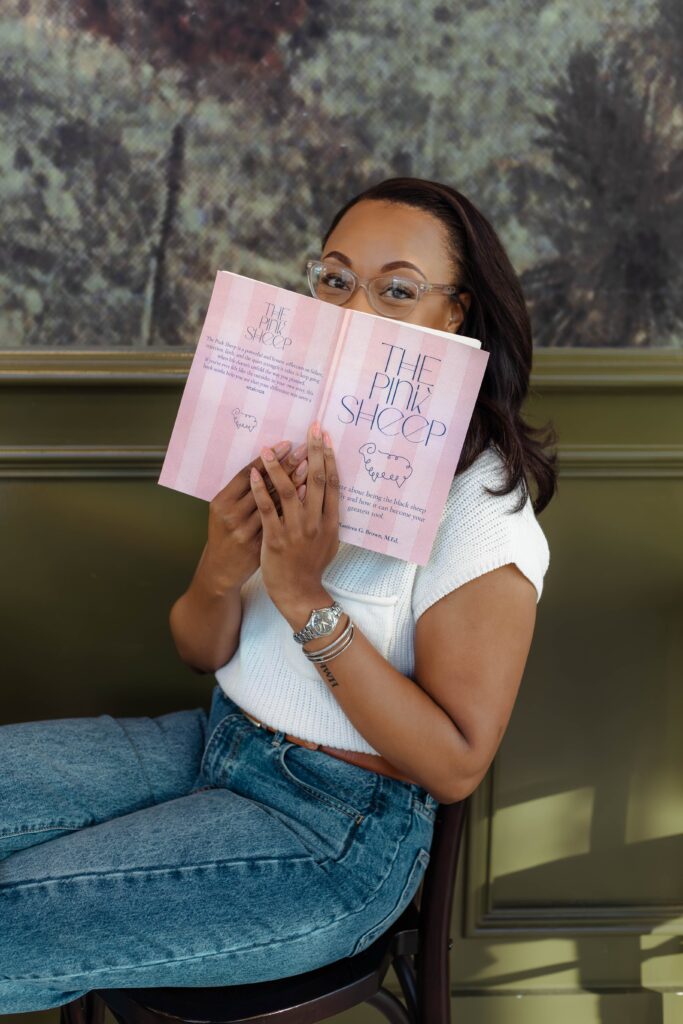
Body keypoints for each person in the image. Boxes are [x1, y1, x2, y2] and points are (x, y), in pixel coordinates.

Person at [0, 177, 556, 1013]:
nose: (351, 309)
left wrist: (303, 599)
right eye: (334, 279)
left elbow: (453, 766)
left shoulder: (482, 514)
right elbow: (200, 650)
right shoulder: (295, 441)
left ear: (456, 313)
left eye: (395, 290)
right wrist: (221, 567)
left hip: (339, 830)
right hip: (214, 742)